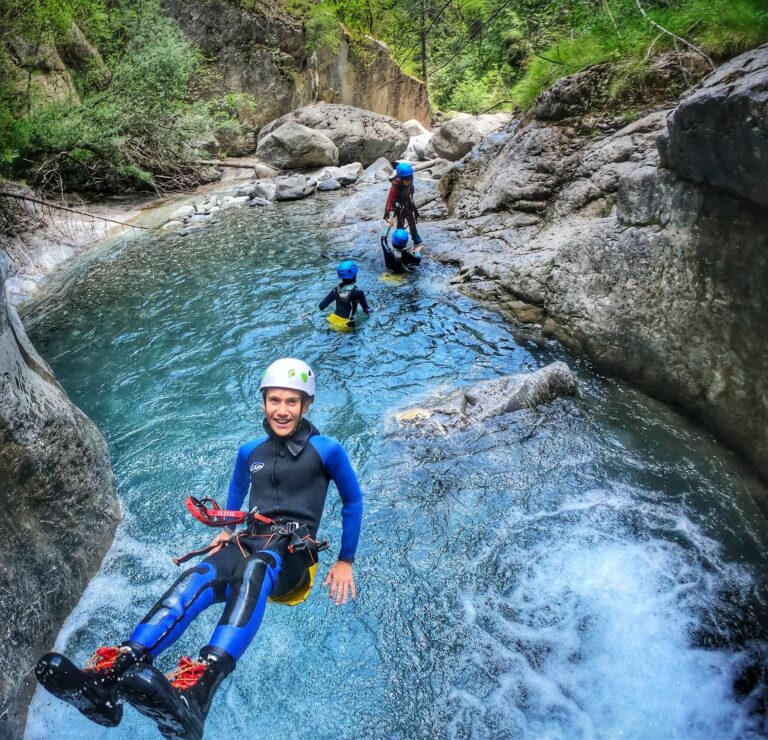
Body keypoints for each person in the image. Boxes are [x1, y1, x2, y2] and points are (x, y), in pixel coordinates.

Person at [35, 358, 363, 740]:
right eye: (275, 400)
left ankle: (198, 694)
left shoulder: (327, 449)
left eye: (292, 402)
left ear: (306, 405)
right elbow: (236, 495)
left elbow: (352, 501)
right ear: (263, 402)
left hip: (293, 558)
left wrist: (345, 560)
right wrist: (225, 531)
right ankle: (111, 677)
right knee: (198, 574)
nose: (282, 410)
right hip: (250, 539)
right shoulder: (249, 452)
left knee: (256, 568)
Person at [319, 260, 370, 329]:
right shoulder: (358, 292)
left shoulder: (335, 290)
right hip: (346, 324)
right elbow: (366, 310)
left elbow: (321, 306)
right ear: (354, 275)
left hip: (332, 321)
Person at [384, 161, 423, 248]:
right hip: (398, 205)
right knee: (401, 222)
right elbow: (390, 199)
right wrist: (387, 212)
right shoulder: (395, 186)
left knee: (411, 221)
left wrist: (415, 210)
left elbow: (411, 197)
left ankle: (415, 238)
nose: (409, 181)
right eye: (407, 179)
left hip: (407, 202)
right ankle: (399, 240)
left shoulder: (410, 182)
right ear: (401, 178)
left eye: (410, 178)